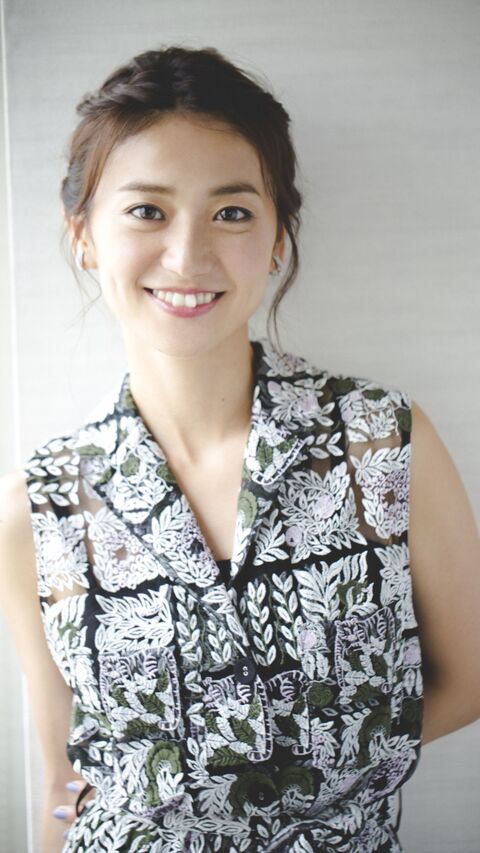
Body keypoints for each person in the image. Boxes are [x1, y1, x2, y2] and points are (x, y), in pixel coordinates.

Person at [0, 45, 479, 853]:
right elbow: (67, 787)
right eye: (147, 210)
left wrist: (300, 773)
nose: (188, 256)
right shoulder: (38, 506)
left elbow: (470, 675)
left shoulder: (380, 441)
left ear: (279, 236)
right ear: (82, 234)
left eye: (231, 212)